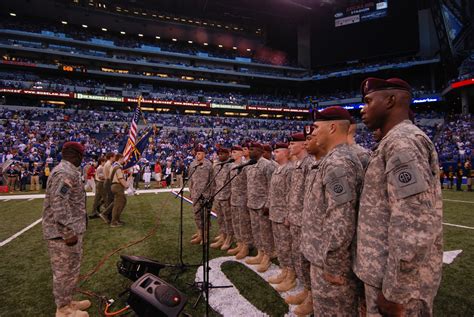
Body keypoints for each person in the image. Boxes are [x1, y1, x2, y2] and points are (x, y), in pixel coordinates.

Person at [354, 77, 443, 316]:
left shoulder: (403, 143)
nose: (362, 108)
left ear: (391, 100)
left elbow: (414, 223)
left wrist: (396, 290)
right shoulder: (391, 142)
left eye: (369, 101)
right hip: (382, 273)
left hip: (399, 285)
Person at [301, 106, 364, 316]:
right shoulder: (334, 159)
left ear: (333, 127)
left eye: (317, 127)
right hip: (322, 255)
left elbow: (341, 218)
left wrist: (334, 264)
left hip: (329, 261)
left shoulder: (338, 162)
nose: (313, 132)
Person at [42, 141, 90, 317]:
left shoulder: (69, 171)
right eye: (82, 156)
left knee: (71, 270)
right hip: (62, 234)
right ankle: (63, 310)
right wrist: (68, 232)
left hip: (70, 230)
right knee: (63, 272)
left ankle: (68, 302)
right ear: (77, 155)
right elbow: (58, 204)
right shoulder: (64, 173)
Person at [283, 131, 314, 313]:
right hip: (295, 218)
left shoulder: (309, 164)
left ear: (303, 144)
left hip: (305, 220)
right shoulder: (297, 164)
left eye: (293, 143)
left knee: (305, 258)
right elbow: (293, 194)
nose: (290, 146)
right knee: (297, 255)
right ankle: (305, 288)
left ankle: (311, 294)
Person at [245, 142, 276, 272]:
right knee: (256, 231)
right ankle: (260, 253)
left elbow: (272, 187)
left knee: (265, 233)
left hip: (263, 205)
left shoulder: (267, 165)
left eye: (252, 149)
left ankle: (267, 256)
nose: (249, 151)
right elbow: (249, 185)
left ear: (259, 150)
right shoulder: (250, 164)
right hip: (252, 203)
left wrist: (268, 204)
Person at [267, 143, 293, 281]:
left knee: (286, 245)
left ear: (285, 153)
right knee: (280, 245)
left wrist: (288, 215)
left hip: (283, 215)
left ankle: (290, 274)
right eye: (274, 151)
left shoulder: (289, 170)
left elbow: (291, 194)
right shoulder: (278, 169)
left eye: (277, 151)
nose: (274, 154)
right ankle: (284, 270)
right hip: (275, 213)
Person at [227, 145, 252, 259]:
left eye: (235, 152)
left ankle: (246, 246)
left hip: (243, 200)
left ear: (241, 153)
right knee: (236, 223)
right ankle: (239, 243)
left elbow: (249, 184)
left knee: (244, 224)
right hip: (234, 199)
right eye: (232, 152)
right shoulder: (231, 166)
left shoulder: (246, 166)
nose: (233, 153)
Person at [188, 145, 214, 244]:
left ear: (204, 154)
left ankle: (205, 236)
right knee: (197, 215)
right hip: (195, 194)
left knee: (205, 217)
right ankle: (199, 234)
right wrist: (191, 191)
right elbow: (190, 179)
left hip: (205, 195)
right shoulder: (193, 164)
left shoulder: (208, 165)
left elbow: (212, 181)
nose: (197, 155)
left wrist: (211, 195)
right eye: (196, 153)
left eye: (199, 153)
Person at [210, 148, 234, 250]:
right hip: (218, 196)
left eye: (223, 154)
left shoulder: (231, 166)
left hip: (227, 197)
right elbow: (214, 182)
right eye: (219, 154)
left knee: (228, 219)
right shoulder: (217, 166)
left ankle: (229, 237)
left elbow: (233, 184)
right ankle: (222, 235)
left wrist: (231, 197)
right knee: (220, 218)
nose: (220, 156)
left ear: (228, 154)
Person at [109, 153, 128, 227]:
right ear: (120, 158)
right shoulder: (117, 167)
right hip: (117, 186)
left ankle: (117, 220)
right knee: (118, 204)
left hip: (114, 185)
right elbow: (120, 178)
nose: (124, 160)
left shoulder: (114, 166)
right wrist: (127, 186)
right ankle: (114, 221)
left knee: (121, 202)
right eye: (123, 159)